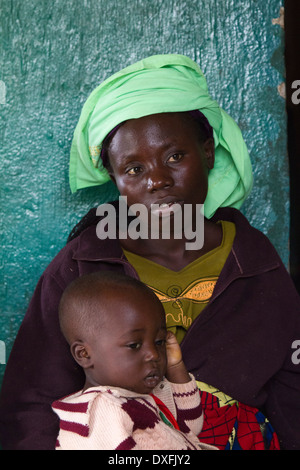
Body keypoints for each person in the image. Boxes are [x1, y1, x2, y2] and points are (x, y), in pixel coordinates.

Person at [0, 54, 298, 450]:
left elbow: (291, 396)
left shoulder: (255, 263)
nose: (157, 179)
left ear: (208, 153)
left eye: (175, 156)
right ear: (115, 178)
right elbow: (30, 403)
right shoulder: (82, 266)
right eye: (134, 169)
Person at [52, 271, 216, 450]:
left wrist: (176, 368)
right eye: (134, 345)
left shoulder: (142, 394)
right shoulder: (100, 412)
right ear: (84, 354)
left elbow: (190, 428)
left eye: (159, 341)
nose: (153, 354)